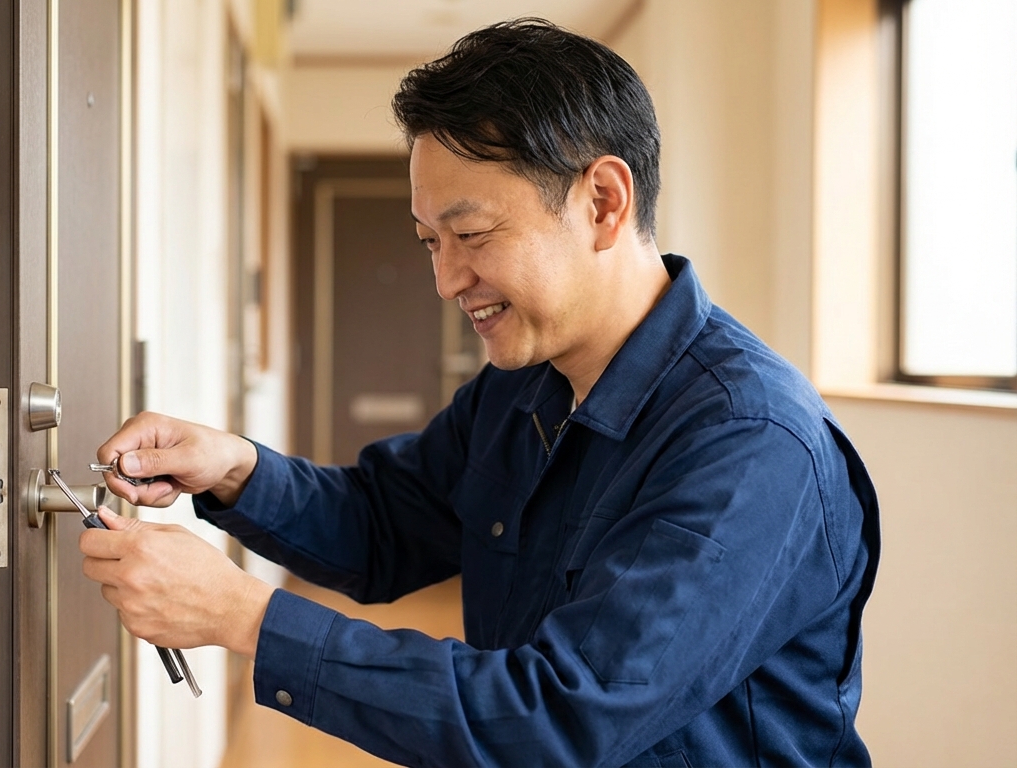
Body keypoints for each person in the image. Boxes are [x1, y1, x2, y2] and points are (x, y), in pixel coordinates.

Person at [78, 18, 880, 768]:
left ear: (603, 202)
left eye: (471, 235)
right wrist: (231, 468)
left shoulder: (750, 441)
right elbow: (382, 524)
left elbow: (560, 715)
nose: (446, 279)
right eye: (430, 242)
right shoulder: (525, 386)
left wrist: (244, 617)